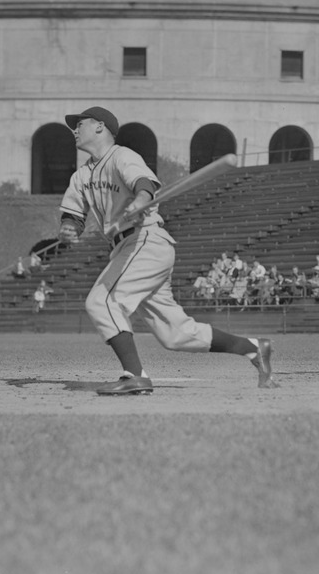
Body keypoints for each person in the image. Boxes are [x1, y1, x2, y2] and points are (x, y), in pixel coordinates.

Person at [57, 106, 275, 395]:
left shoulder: (122, 155)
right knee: (176, 334)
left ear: (99, 127)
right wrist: (70, 227)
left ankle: (134, 376)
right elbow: (73, 213)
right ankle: (253, 349)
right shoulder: (81, 176)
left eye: (80, 124)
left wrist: (141, 199)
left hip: (145, 239)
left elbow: (144, 184)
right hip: (126, 247)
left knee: (101, 301)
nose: (74, 129)